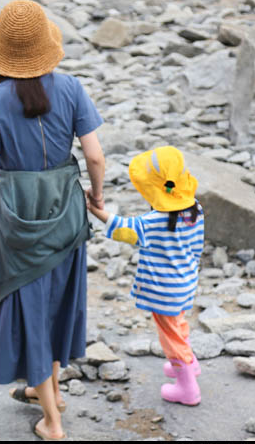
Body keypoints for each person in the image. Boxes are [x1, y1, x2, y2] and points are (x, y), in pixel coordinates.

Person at [0, 0, 106, 440]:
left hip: (18, 218)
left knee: (29, 307)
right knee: (57, 301)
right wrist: (96, 197)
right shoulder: (72, 88)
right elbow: (94, 155)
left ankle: (53, 424)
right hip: (66, 209)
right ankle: (51, 394)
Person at [85, 146, 204, 406]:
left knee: (170, 337)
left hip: (163, 291)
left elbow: (125, 229)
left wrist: (95, 211)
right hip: (185, 283)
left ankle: (188, 388)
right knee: (179, 324)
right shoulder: (195, 209)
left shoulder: (153, 222)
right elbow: (197, 248)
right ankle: (189, 364)